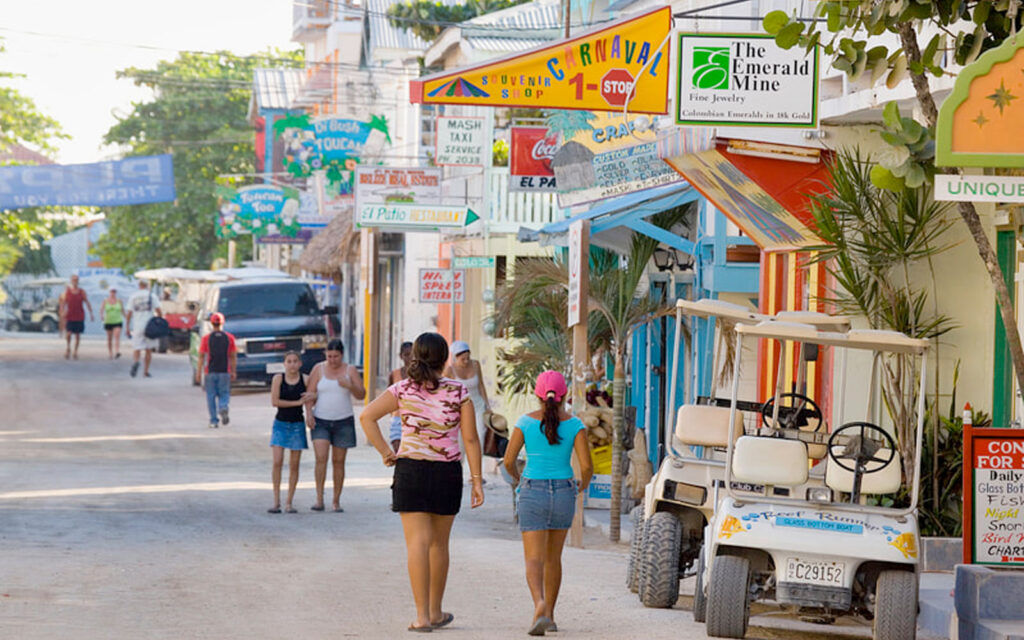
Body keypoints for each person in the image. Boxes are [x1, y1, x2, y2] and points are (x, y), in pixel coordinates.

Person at [359, 331, 485, 633]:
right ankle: (436, 611)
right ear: (444, 359)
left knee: (417, 543)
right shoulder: (458, 392)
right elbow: (470, 437)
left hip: (411, 470)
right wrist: (477, 480)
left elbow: (367, 417)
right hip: (447, 473)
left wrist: (387, 453)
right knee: (439, 545)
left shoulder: (402, 389)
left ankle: (421, 617)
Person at [502, 370, 593, 637]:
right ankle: (550, 616)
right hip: (564, 491)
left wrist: (520, 481)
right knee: (554, 558)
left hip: (532, 490)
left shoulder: (525, 422)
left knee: (533, 559)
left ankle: (539, 604)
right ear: (564, 395)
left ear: (537, 395)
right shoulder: (575, 424)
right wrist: (581, 485)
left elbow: (508, 461)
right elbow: (586, 466)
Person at [305, 339, 365, 512]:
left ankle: (336, 501)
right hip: (321, 420)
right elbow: (309, 393)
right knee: (321, 459)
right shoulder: (318, 369)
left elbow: (362, 394)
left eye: (336, 356)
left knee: (339, 461)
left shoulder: (350, 370)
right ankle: (319, 498)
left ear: (342, 355)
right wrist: (309, 413)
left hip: (343, 420)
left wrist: (350, 385)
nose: (332, 360)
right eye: (329, 356)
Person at [268, 351, 315, 514]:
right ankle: (276, 501)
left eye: (295, 361)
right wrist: (297, 402)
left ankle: (289, 502)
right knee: (277, 462)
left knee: (294, 465)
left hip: (297, 424)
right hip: (280, 423)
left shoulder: (306, 379)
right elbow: (275, 401)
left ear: (300, 363)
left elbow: (310, 399)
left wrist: (309, 413)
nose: (292, 364)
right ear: (284, 363)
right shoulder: (278, 379)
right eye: (289, 361)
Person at [444, 341, 492, 475]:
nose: (466, 361)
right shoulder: (450, 370)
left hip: (477, 405)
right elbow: (444, 391)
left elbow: (481, 385)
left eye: (468, 358)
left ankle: (475, 473)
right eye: (462, 359)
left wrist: (487, 406)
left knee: (479, 437)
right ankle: (458, 470)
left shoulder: (475, 365)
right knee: (460, 440)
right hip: (459, 409)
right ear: (455, 357)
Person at [197, 312, 237, 429]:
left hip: (210, 371)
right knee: (224, 393)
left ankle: (213, 421)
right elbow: (233, 356)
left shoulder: (206, 339)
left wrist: (199, 373)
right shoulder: (230, 338)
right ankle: (223, 407)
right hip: (225, 371)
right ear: (222, 322)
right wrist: (233, 371)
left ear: (211, 323)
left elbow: (201, 357)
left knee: (211, 396)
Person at [125, 281, 160, 378]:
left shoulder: (133, 297)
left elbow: (129, 313)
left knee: (137, 348)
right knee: (148, 349)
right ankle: (146, 371)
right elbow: (158, 310)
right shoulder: (152, 296)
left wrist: (127, 326)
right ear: (147, 286)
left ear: (139, 285)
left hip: (137, 325)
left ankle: (136, 361)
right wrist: (159, 321)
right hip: (149, 326)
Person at [387, 341, 414, 453]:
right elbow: (388, 396)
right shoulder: (394, 374)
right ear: (401, 356)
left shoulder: (421, 375)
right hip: (397, 417)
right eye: (407, 355)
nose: (410, 358)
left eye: (413, 355)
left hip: (414, 416)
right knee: (397, 447)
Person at [59, 274, 93, 360]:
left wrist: (91, 313)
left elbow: (87, 302)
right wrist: (62, 311)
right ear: (71, 281)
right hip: (70, 315)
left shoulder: (82, 292)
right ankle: (68, 348)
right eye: (73, 279)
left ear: (78, 281)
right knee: (69, 333)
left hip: (79, 316)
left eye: (76, 279)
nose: (75, 281)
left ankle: (75, 351)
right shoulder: (67, 292)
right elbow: (63, 303)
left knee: (78, 335)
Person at [100, 288, 124, 359]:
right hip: (109, 321)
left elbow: (122, 310)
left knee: (117, 336)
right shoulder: (105, 301)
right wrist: (101, 316)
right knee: (109, 338)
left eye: (114, 292)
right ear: (109, 292)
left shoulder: (119, 301)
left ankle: (117, 351)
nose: (113, 293)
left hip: (118, 321)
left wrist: (127, 317)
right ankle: (110, 353)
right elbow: (101, 309)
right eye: (111, 292)